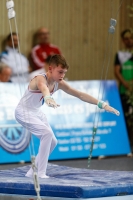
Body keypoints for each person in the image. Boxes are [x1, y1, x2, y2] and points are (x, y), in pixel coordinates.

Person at [15, 54, 120, 179]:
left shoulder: (59, 83)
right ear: (50, 69)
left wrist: (101, 104)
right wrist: (48, 97)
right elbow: (43, 88)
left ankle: (32, 172)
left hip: (36, 112)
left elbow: (79, 94)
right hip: (23, 111)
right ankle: (40, 173)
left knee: (53, 141)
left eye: (64, 72)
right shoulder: (39, 79)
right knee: (47, 134)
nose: (62, 76)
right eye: (59, 72)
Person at [114, 29, 133, 144]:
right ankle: (127, 142)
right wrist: (125, 83)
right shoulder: (120, 55)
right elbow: (116, 71)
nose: (129, 40)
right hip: (124, 90)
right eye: (126, 38)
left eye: (130, 38)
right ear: (122, 40)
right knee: (126, 116)